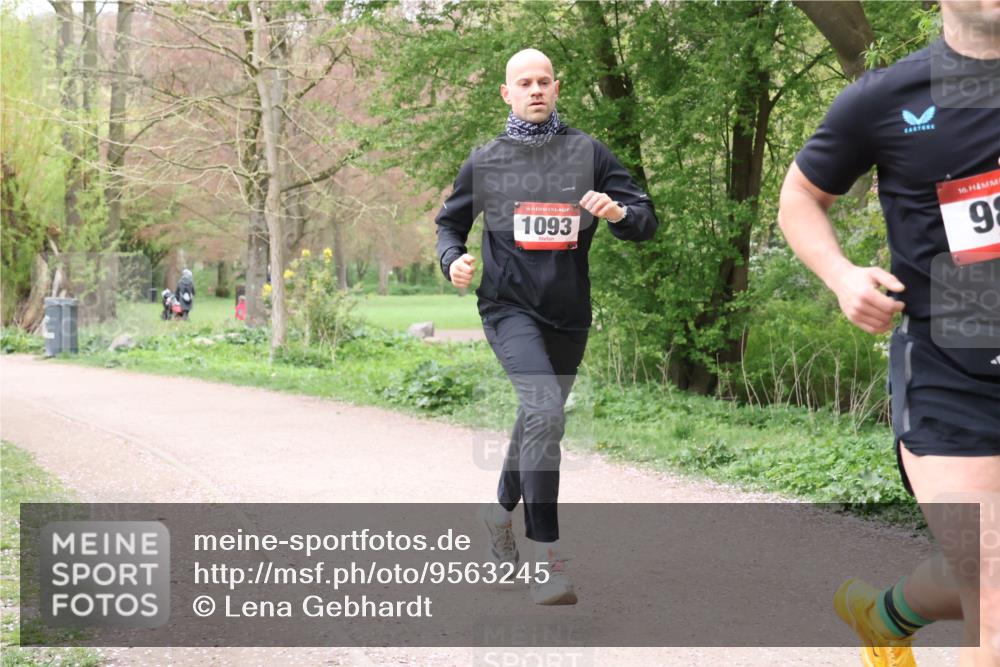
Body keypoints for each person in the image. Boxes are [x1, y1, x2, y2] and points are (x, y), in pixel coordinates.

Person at [778, 2, 999, 664]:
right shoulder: (884, 98)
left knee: (979, 574)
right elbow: (799, 198)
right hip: (950, 379)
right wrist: (843, 275)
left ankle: (885, 614)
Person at [435, 48, 658, 605]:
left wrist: (617, 214)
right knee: (544, 410)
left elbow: (645, 220)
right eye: (523, 83)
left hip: (568, 313)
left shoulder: (588, 153)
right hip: (508, 307)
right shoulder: (485, 160)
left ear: (557, 88)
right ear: (506, 94)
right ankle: (548, 559)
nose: (535, 90)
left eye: (543, 82)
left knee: (538, 418)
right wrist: (452, 259)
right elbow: (450, 224)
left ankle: (497, 513)